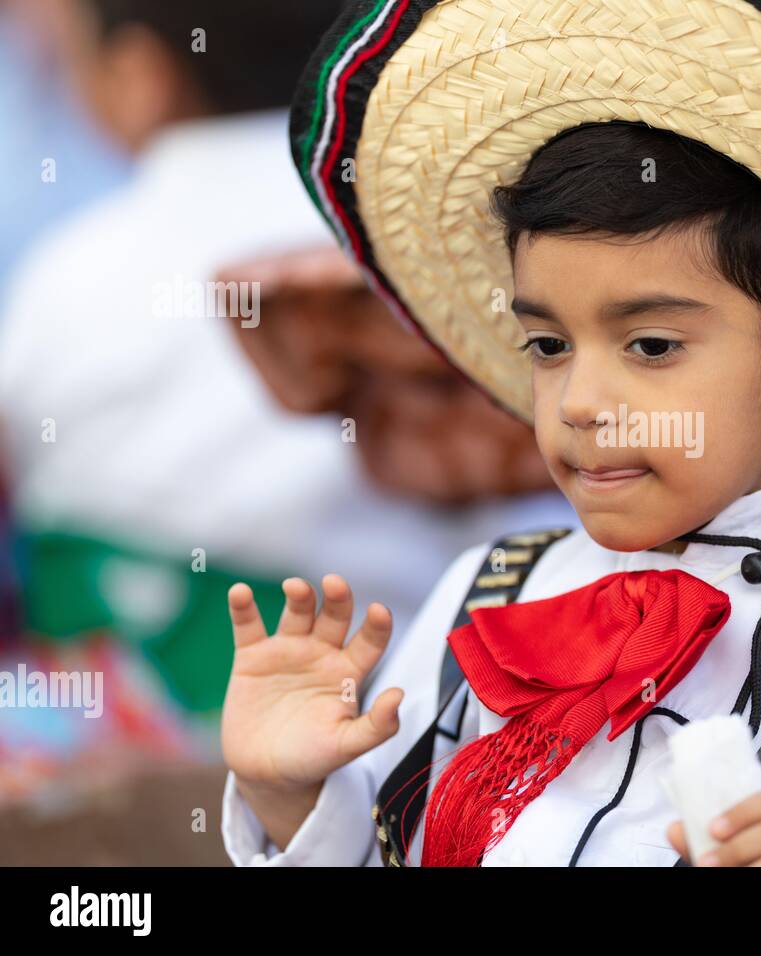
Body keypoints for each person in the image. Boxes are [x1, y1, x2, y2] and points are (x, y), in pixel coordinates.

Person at [220, 0, 761, 866]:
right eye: (548, 344)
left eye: (651, 345)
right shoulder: (482, 599)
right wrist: (291, 798)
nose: (578, 401)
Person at [0, 0, 570, 719]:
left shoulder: (68, 272)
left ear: (140, 77)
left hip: (117, 730)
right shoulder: (432, 242)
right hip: (427, 704)